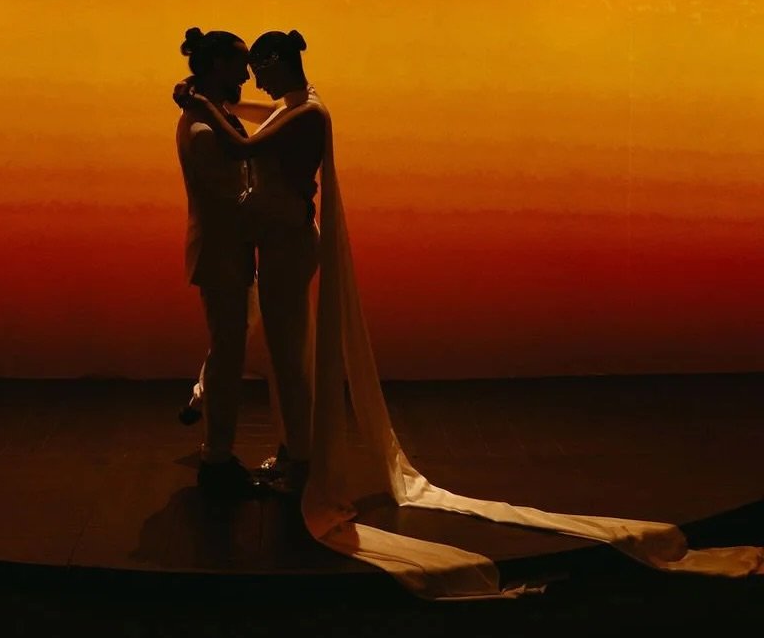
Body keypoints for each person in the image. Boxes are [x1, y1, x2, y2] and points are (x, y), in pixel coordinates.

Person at [177, 30, 764, 598]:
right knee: (280, 350)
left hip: (283, 246)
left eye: (256, 66)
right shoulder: (293, 108)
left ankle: (298, 456)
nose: (251, 78)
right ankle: (292, 452)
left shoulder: (300, 114)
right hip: (273, 245)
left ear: (276, 63)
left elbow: (247, 145)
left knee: (287, 351)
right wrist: (212, 105)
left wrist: (202, 101)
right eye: (241, 67)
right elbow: (259, 122)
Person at [173, 27, 263, 499]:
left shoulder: (211, 114)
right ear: (216, 67)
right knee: (230, 355)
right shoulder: (205, 130)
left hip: (228, 252)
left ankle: (202, 399)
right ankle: (217, 456)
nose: (247, 74)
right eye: (239, 65)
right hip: (222, 253)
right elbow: (230, 200)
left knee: (233, 339)